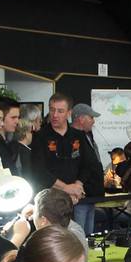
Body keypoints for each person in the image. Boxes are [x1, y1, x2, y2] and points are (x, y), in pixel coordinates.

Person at [32, 94, 100, 237]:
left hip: (76, 197)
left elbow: (88, 164)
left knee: (81, 237)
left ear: (69, 113)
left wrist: (78, 185)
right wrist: (66, 188)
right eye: (52, 110)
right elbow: (39, 171)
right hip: (50, 201)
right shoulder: (40, 136)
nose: (55, 115)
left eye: (60, 111)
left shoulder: (78, 135)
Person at [5, 187, 89, 254]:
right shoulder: (77, 231)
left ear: (44, 220)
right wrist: (39, 211)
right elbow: (60, 214)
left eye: (35, 210)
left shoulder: (41, 246)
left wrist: (18, 235)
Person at [70, 103, 108, 232]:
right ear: (81, 119)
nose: (93, 121)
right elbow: (76, 164)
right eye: (91, 117)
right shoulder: (72, 137)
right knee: (79, 232)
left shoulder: (87, 135)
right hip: (81, 195)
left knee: (88, 233)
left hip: (91, 194)